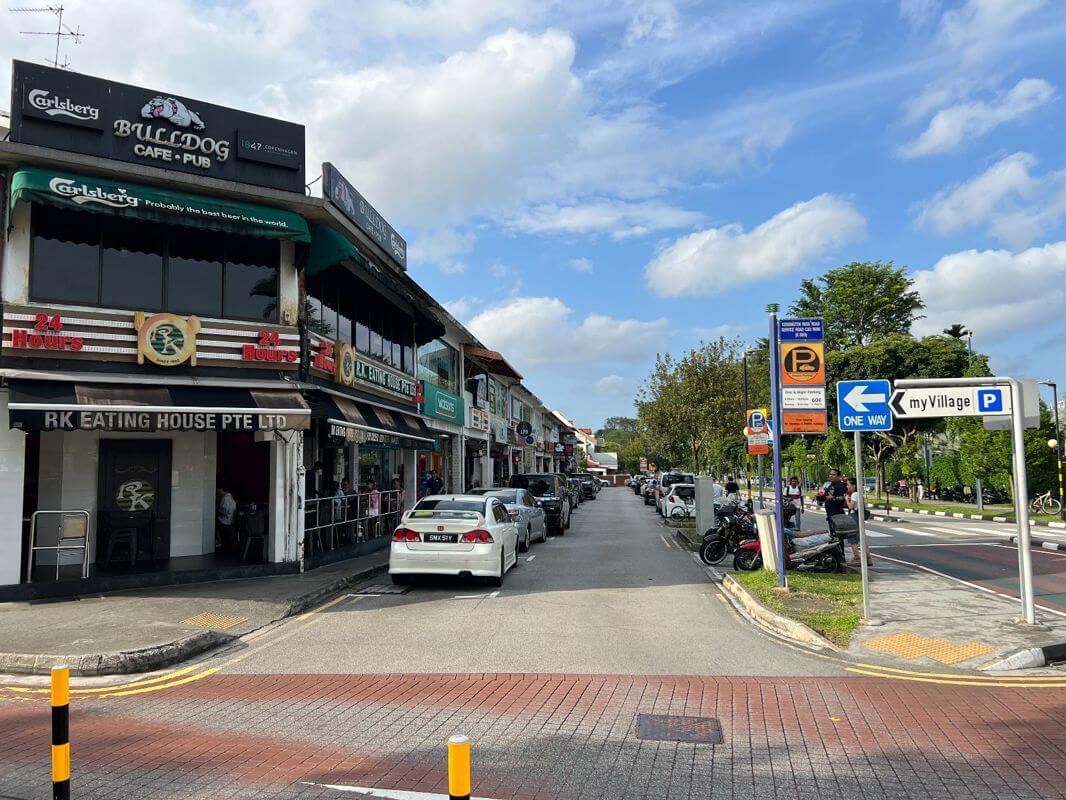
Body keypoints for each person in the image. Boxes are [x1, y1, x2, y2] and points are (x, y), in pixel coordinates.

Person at [845, 478, 872, 566]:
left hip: (854, 518)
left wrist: (847, 499)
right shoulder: (859, 494)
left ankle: (857, 558)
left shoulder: (854, 494)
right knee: (861, 538)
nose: (847, 486)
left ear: (854, 486)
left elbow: (850, 507)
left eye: (848, 485)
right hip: (858, 517)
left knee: (853, 539)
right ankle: (868, 558)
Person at [216, 486, 237, 553]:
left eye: (218, 489)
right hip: (231, 521)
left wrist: (217, 510)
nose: (217, 491)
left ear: (221, 489)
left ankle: (218, 542)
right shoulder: (231, 497)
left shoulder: (225, 498)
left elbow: (224, 512)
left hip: (224, 522)